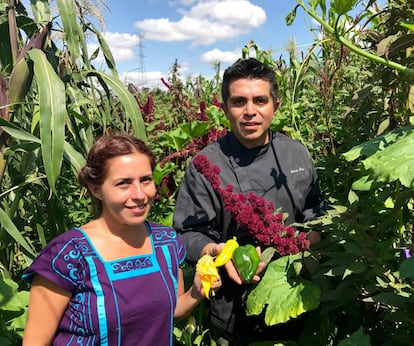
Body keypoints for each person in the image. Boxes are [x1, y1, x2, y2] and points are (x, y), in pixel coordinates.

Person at [173, 58, 325, 345]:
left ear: (275, 106)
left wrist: (303, 248)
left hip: (292, 294)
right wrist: (218, 251)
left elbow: (316, 214)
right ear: (225, 108)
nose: (250, 112)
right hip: (232, 308)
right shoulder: (206, 163)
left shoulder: (296, 154)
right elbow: (187, 232)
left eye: (260, 100)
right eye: (239, 101)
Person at [22, 134, 221, 346]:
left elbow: (169, 312)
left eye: (145, 180)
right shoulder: (68, 256)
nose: (139, 194)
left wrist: (196, 292)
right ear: (96, 189)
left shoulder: (166, 242)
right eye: (123, 183)